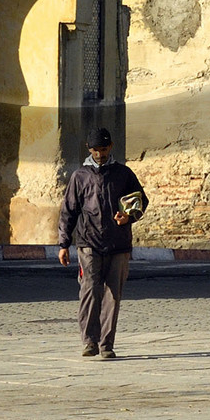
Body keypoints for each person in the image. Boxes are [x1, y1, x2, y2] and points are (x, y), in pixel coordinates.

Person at [57, 127, 148, 360]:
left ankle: (107, 344)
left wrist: (129, 216)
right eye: (96, 150)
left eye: (104, 149)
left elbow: (140, 200)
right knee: (90, 290)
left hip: (118, 244)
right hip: (88, 242)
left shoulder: (123, 174)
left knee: (113, 295)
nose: (100, 154)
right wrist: (63, 243)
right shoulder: (80, 176)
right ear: (89, 149)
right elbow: (69, 211)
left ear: (111, 148)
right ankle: (89, 341)